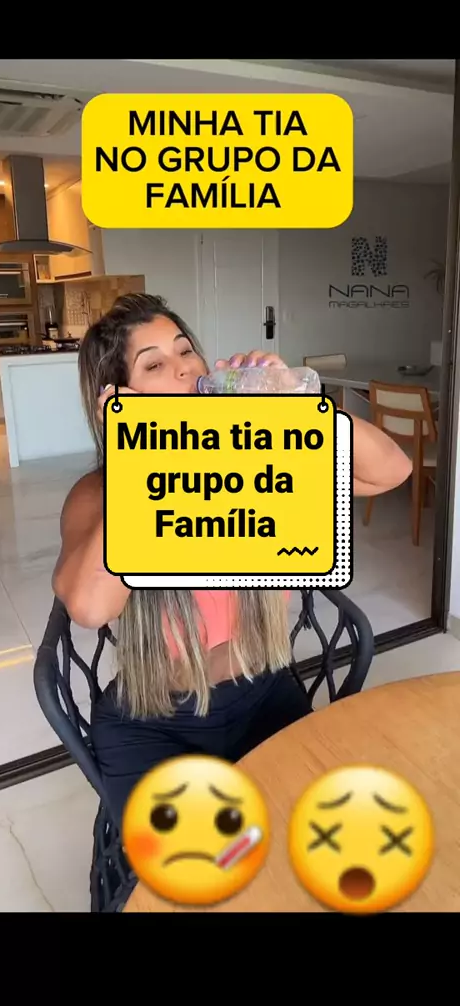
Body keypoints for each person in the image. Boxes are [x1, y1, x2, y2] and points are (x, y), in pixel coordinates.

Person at [53, 293, 412, 825]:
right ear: (119, 395)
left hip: (263, 694)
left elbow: (391, 470)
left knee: (303, 837)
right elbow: (89, 606)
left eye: (185, 351)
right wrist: (141, 458)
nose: (184, 369)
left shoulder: (259, 457)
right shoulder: (101, 492)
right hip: (153, 722)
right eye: (154, 365)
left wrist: (294, 409)